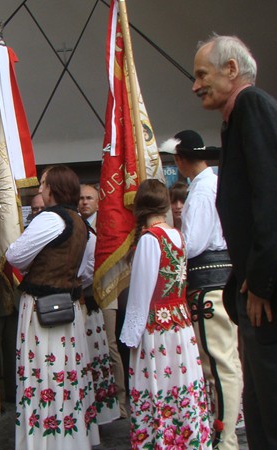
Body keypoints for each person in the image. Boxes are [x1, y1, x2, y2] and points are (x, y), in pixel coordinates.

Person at [192, 34, 277, 448]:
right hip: (263, 293)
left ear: (231, 69)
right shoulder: (241, 116)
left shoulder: (254, 106)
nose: (196, 85)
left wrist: (262, 282)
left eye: (202, 75)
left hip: (274, 294)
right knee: (268, 414)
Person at [6, 165, 99, 449]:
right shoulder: (81, 222)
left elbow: (15, 255)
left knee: (44, 372)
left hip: (41, 308)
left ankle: (46, 441)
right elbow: (83, 270)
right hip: (68, 307)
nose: (40, 189)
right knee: (66, 371)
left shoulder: (50, 219)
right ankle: (69, 437)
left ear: (54, 188)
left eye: (43, 183)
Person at [161, 129, 243, 449]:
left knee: (220, 364)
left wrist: (166, 245)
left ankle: (225, 438)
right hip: (219, 280)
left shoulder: (203, 190)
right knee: (223, 361)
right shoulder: (211, 184)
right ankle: (224, 432)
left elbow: (193, 244)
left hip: (210, 283)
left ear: (180, 160)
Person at [119, 178, 211, 449]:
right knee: (180, 382)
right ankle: (186, 438)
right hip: (179, 324)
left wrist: (130, 335)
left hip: (157, 327)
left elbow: (141, 293)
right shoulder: (177, 236)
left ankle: (162, 440)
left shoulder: (151, 239)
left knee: (159, 384)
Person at [78, 214, 120, 425]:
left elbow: (90, 269)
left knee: (100, 353)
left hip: (92, 301)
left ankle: (104, 411)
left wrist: (74, 280)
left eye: (89, 198)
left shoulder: (89, 236)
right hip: (82, 301)